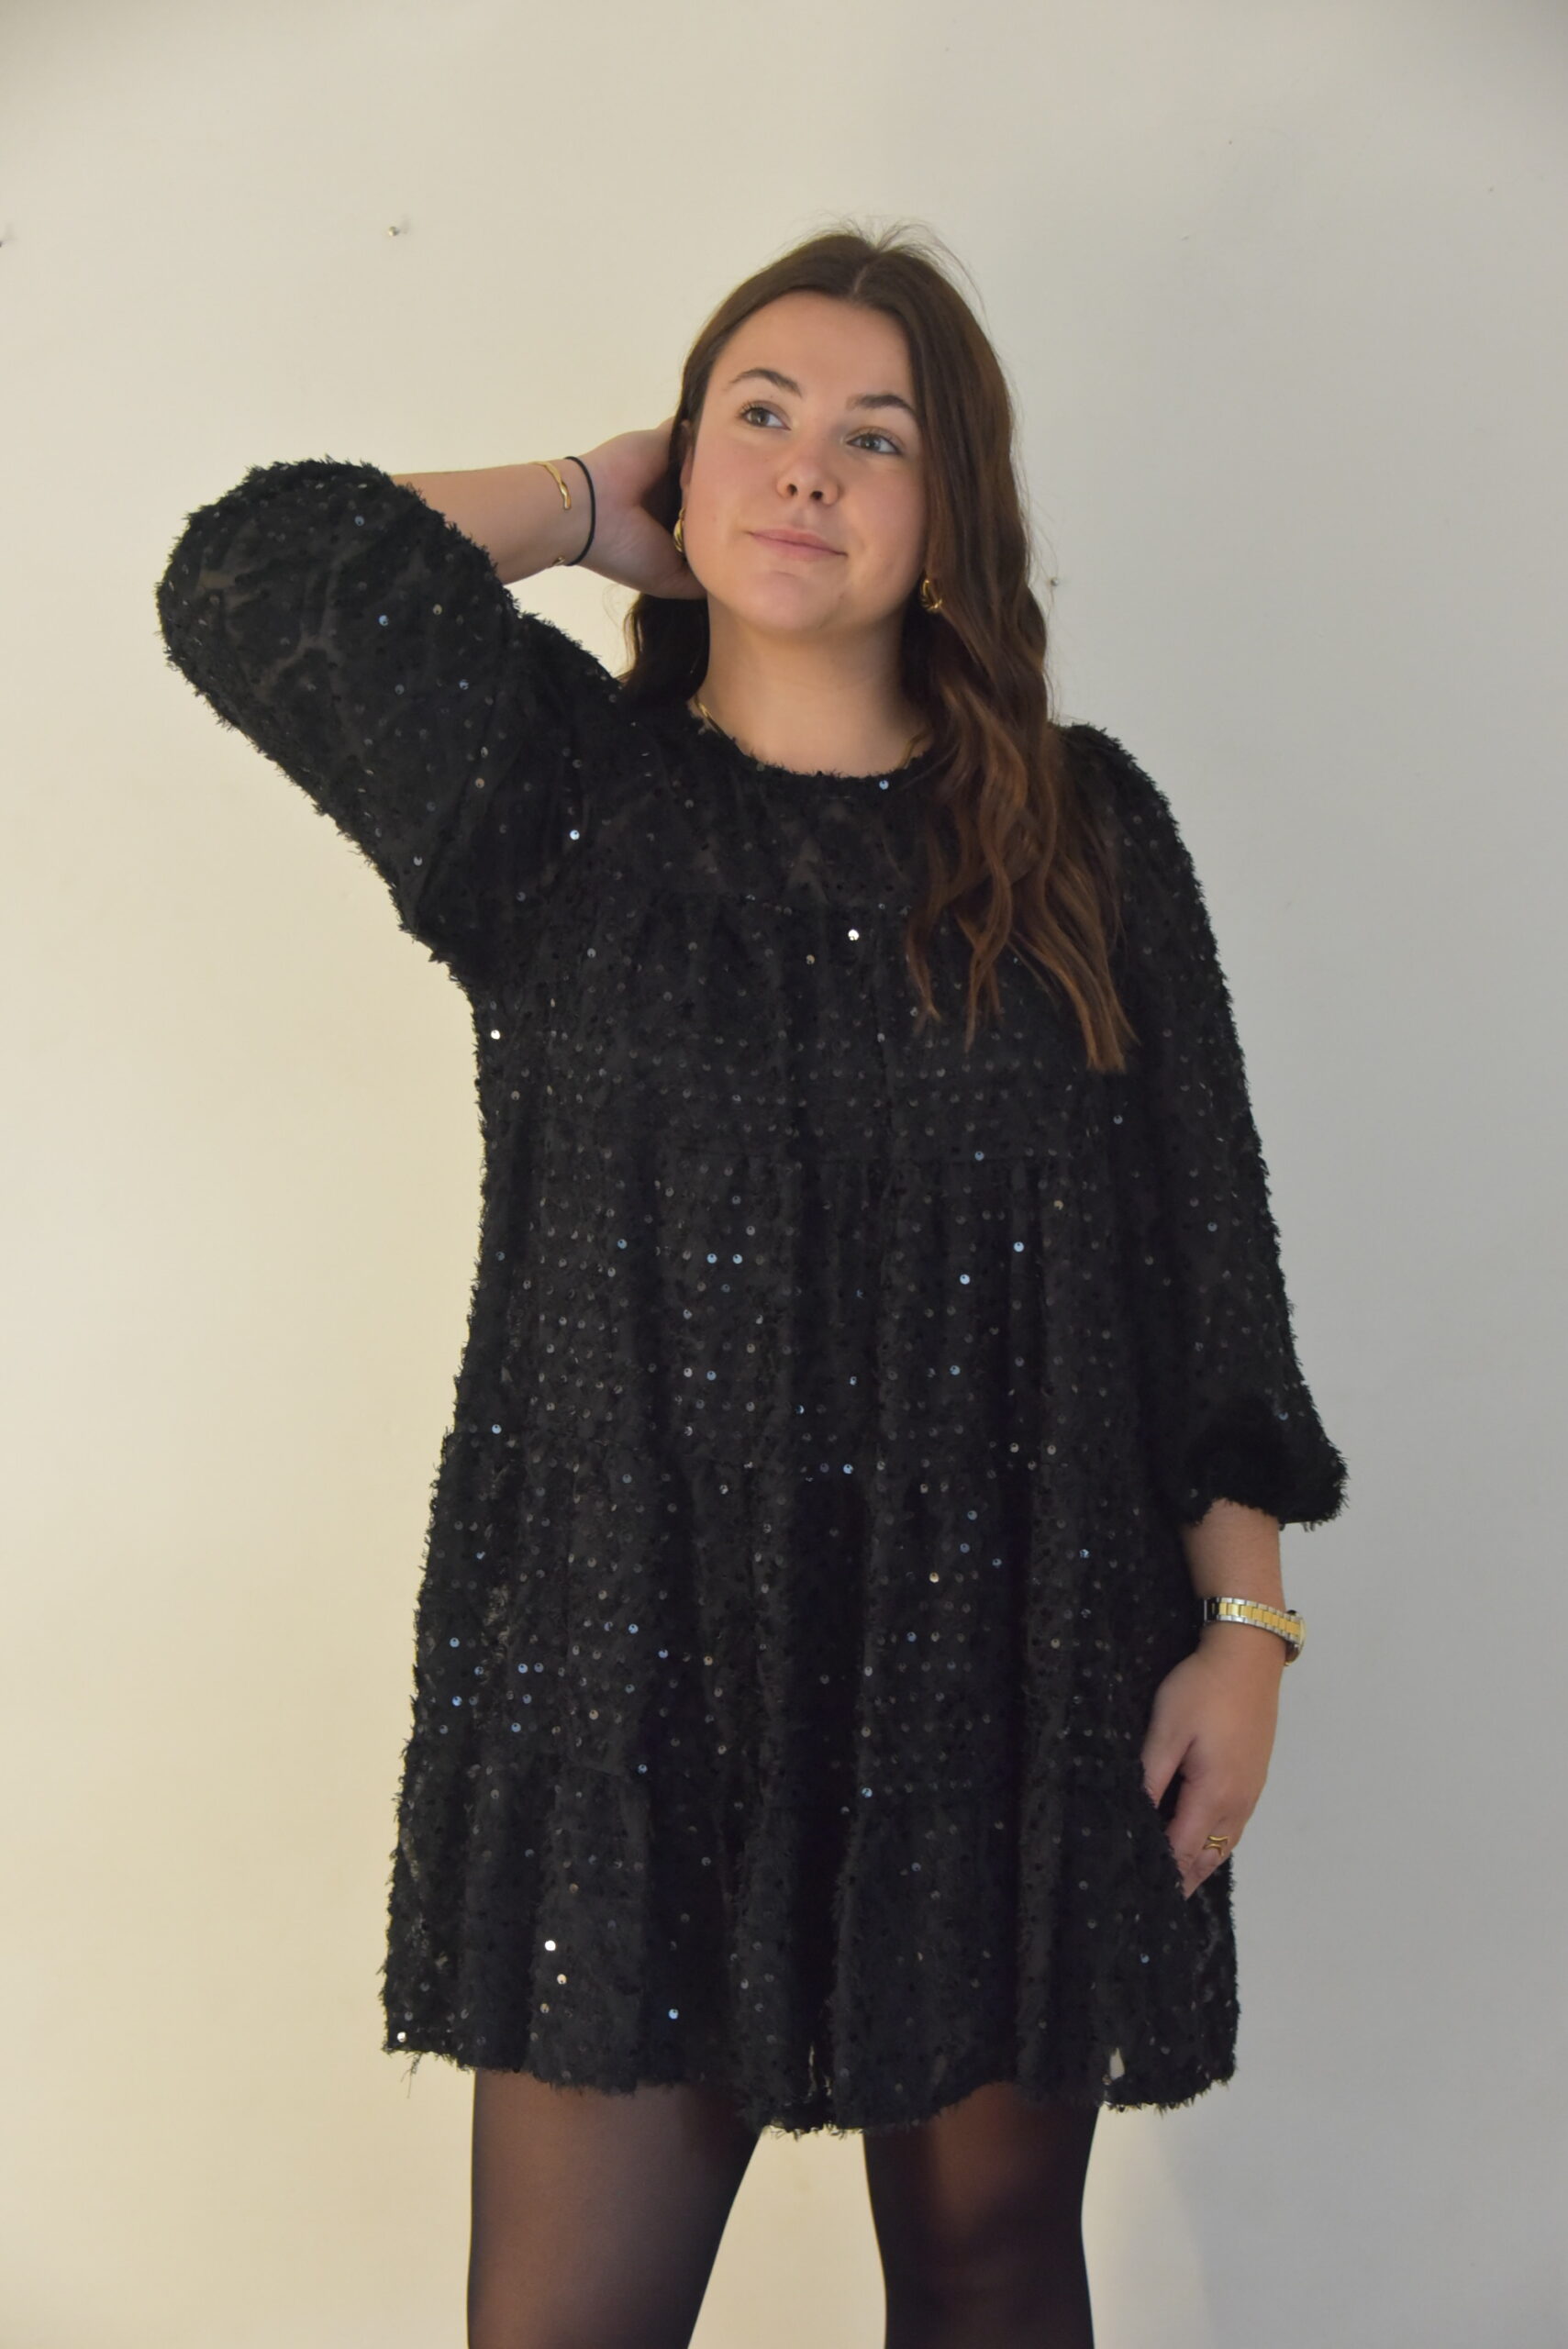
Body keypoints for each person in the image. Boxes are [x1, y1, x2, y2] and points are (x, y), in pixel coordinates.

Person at [154, 220, 1348, 2349]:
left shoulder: (1085, 833)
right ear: (687, 465)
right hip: (634, 1676)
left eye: (876, 437)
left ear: (952, 512)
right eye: (759, 417)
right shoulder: (554, 802)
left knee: (990, 2272)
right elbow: (255, 576)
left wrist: (1245, 1632)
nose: (807, 467)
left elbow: (1206, 1269)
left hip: (1008, 1665)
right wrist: (579, 503)